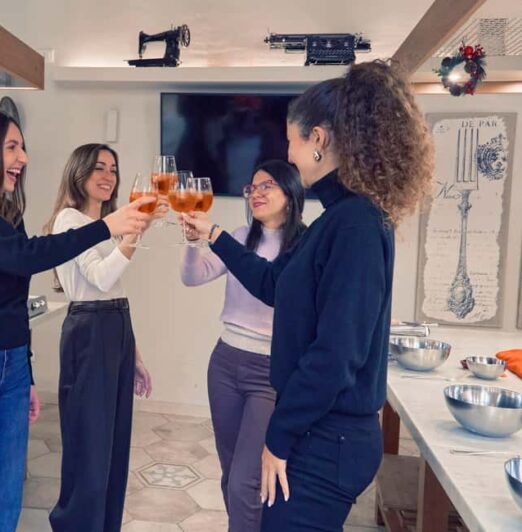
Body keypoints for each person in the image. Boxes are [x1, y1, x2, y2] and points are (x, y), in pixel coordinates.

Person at [183, 60, 434, 531]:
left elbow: (336, 354)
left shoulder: (355, 225)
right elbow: (274, 284)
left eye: (291, 141)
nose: (289, 154)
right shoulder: (336, 220)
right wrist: (214, 235)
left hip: (329, 441)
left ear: (318, 138)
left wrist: (279, 436)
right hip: (321, 432)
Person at [0, 106, 153, 532]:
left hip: (7, 371)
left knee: (3, 515)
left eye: (22, 148)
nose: (23, 158)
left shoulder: (3, 211)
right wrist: (108, 226)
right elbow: (22, 256)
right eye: (12, 147)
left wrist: (22, 372)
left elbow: (12, 295)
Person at [180, 160, 305, 531]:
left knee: (245, 481)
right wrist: (192, 243)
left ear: (290, 193)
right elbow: (192, 276)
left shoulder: (303, 246)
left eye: (267, 186)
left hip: (269, 371)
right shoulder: (239, 236)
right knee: (230, 473)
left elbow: (284, 300)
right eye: (252, 187)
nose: (256, 193)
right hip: (225, 363)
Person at [44, 144, 164, 532]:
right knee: (90, 451)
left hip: (114, 328)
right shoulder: (69, 220)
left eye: (113, 168)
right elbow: (100, 278)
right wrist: (135, 232)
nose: (108, 175)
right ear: (78, 172)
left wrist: (135, 355)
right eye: (99, 167)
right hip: (89, 332)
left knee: (113, 450)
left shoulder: (104, 226)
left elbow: (115, 292)